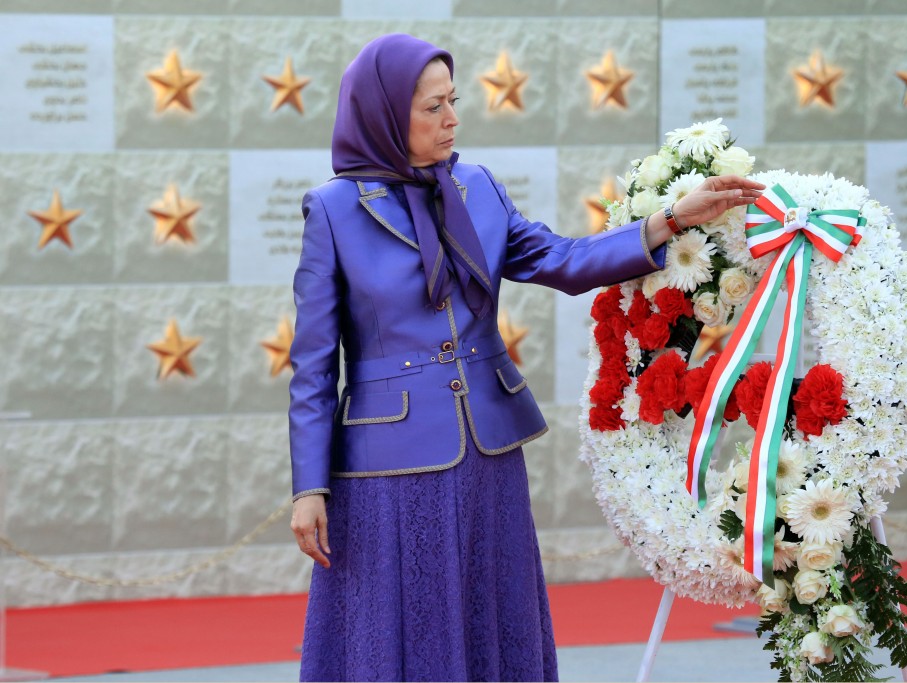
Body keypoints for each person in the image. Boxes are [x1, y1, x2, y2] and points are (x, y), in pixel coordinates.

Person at [288, 33, 764, 682]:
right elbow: (314, 366)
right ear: (383, 113)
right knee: (403, 628)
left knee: (492, 619)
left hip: (489, 451)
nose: (452, 118)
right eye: (431, 107)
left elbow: (563, 260)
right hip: (387, 469)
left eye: (452, 101)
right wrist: (309, 486)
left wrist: (669, 221)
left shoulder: (478, 187)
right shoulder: (334, 211)